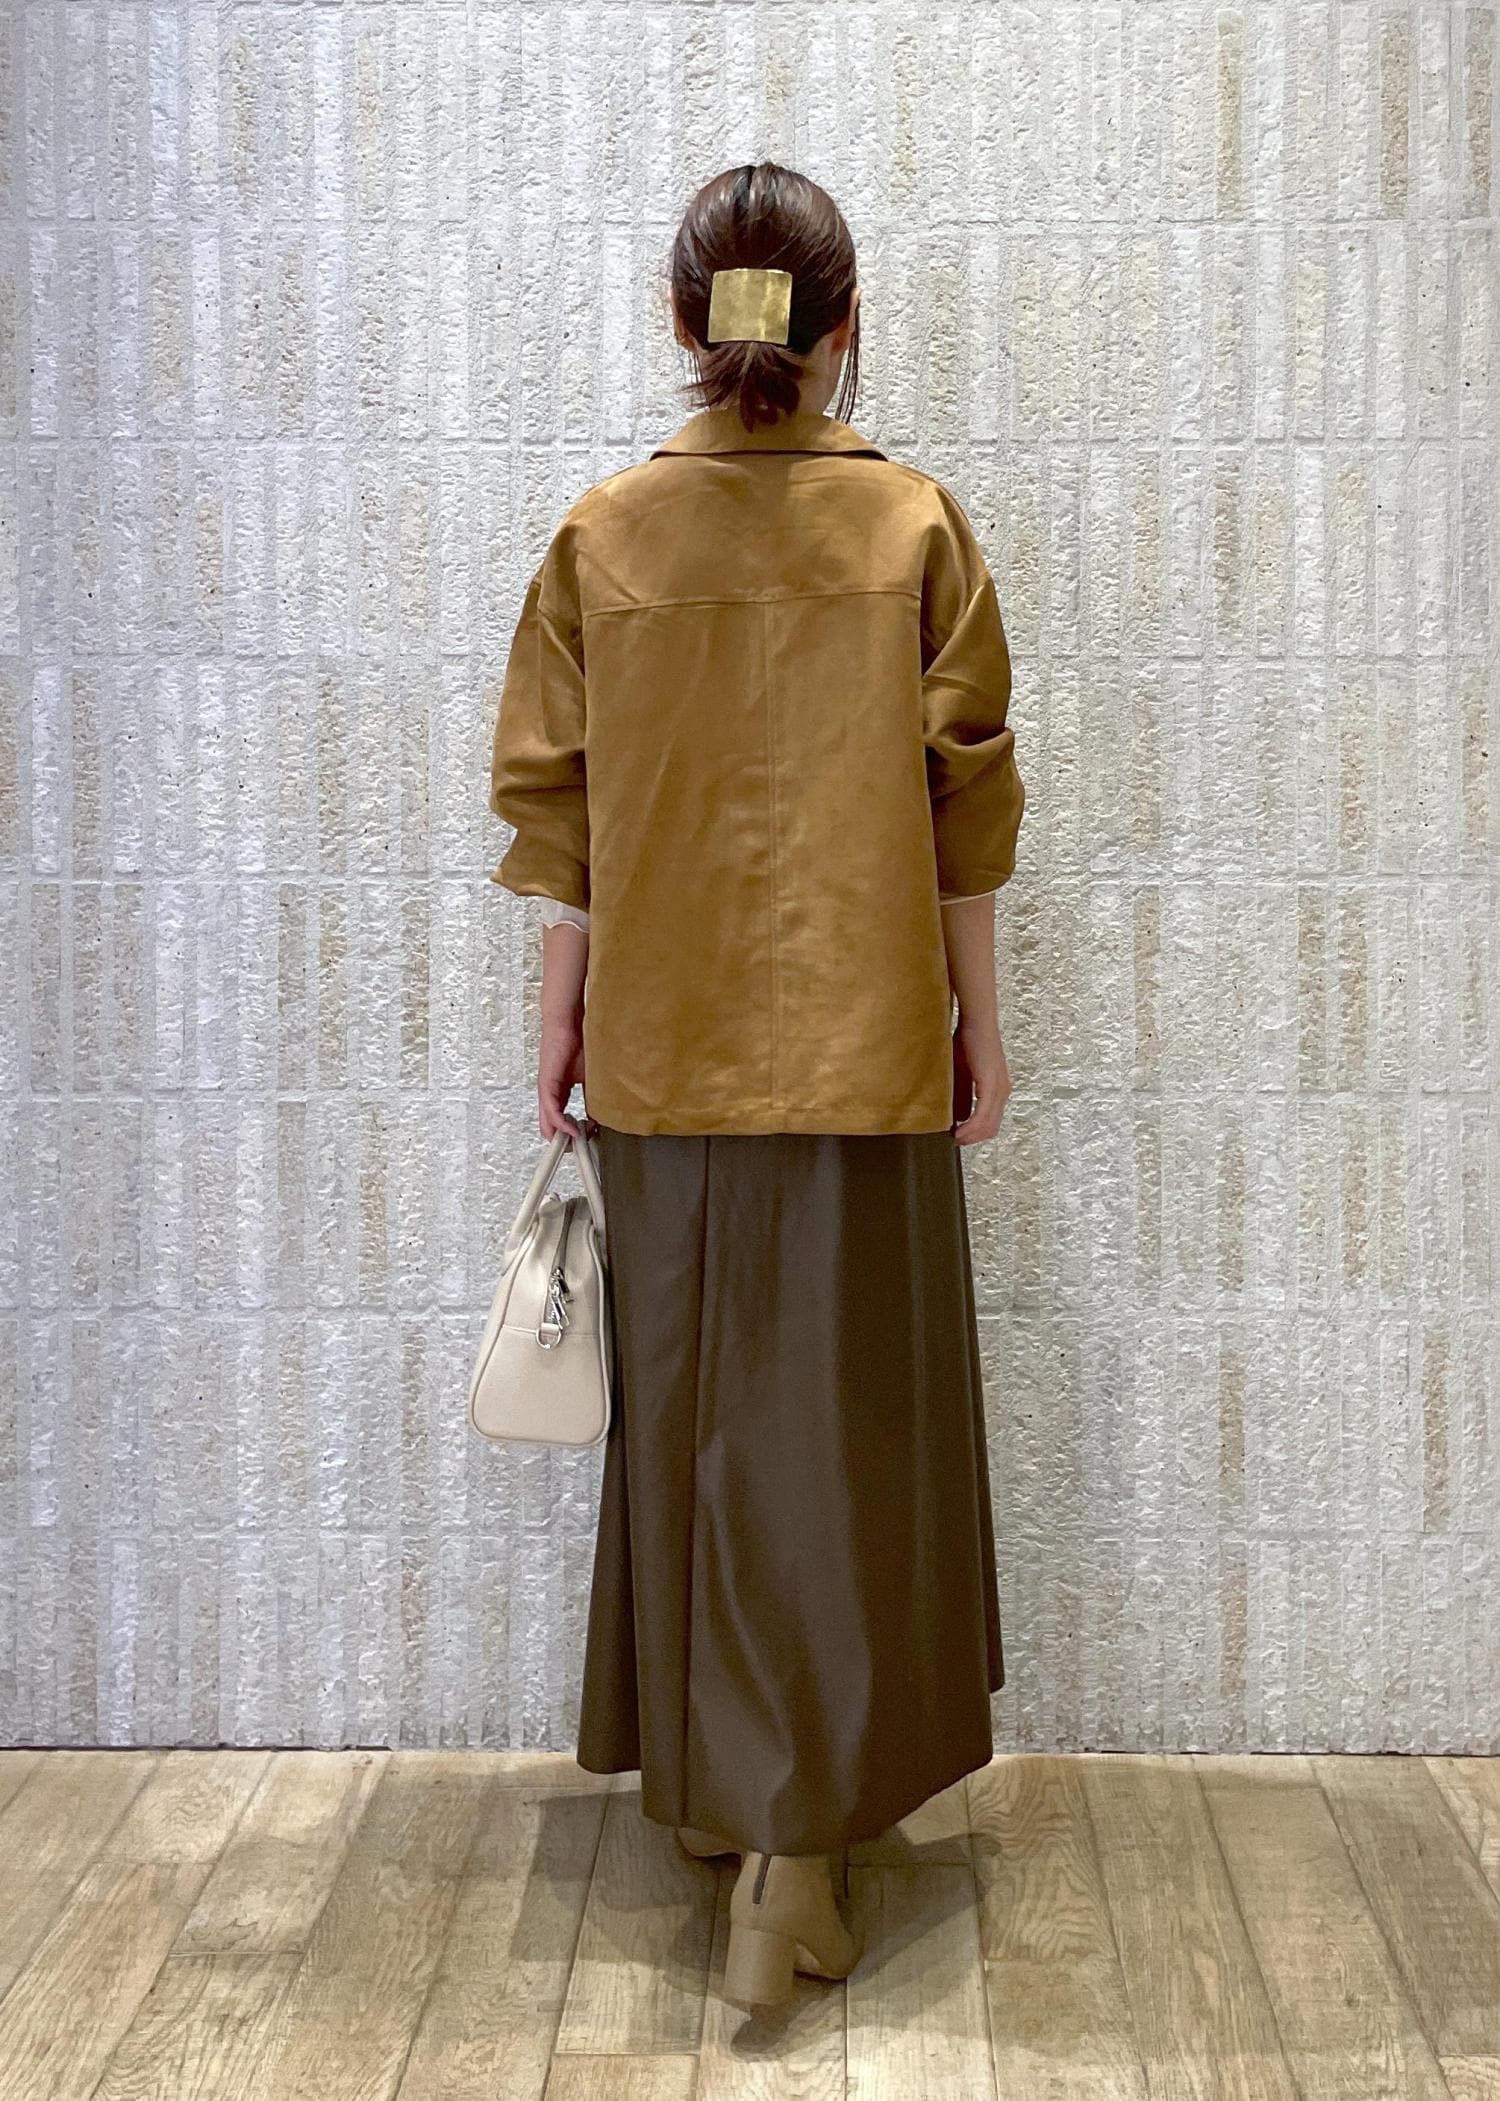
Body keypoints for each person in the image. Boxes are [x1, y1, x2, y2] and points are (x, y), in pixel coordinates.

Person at [487, 161, 1025, 2012]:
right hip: (869, 1054)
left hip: (664, 1055)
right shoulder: (914, 528)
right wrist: (977, 1022)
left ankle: (743, 1810)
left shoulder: (607, 536)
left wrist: (562, 1023)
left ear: (683, 321)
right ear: (844, 322)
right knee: (845, 1440)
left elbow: (560, 819)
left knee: (703, 1425)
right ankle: (799, 1844)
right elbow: (966, 814)